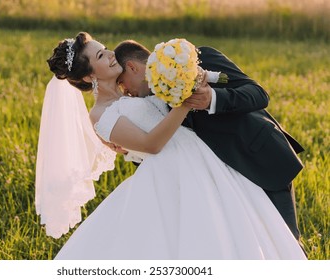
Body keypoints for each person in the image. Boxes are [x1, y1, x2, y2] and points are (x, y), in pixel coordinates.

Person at [38, 31, 306, 259]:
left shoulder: (166, 72)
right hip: (181, 169)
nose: (109, 55)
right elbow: (151, 144)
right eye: (100, 56)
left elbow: (257, 93)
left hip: (228, 157)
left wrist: (202, 94)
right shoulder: (102, 113)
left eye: (104, 49)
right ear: (88, 78)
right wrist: (185, 101)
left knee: (256, 232)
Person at [114, 40, 305, 246]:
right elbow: (165, 149)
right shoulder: (151, 103)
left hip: (259, 157)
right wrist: (130, 151)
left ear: (132, 67)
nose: (126, 92)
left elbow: (259, 94)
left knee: (285, 244)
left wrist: (213, 98)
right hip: (222, 182)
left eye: (122, 83)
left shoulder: (196, 58)